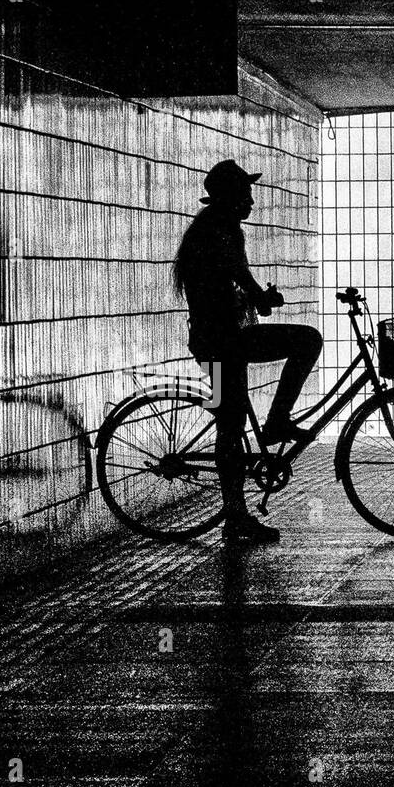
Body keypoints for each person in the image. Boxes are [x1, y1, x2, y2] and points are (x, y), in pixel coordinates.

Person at [172, 159, 323, 543]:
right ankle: (276, 426)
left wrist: (258, 298)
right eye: (246, 193)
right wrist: (262, 297)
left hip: (217, 341)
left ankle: (237, 514)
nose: (251, 201)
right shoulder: (220, 230)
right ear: (230, 197)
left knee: (230, 423)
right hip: (223, 343)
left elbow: (232, 285)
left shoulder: (211, 228)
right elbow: (238, 275)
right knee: (307, 340)